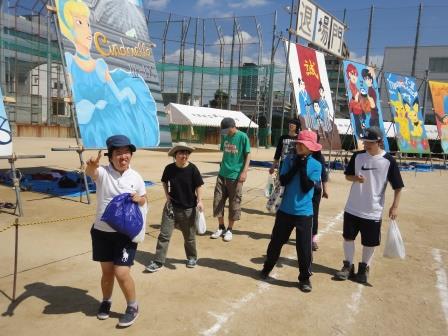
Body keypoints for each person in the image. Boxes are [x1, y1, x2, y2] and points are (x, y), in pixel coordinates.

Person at [55, 0, 160, 148]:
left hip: (107, 119)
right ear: (69, 29)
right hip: (92, 125)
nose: (88, 31)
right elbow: (75, 98)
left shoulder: (100, 65)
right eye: (80, 23)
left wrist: (127, 93)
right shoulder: (71, 63)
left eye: (88, 24)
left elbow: (117, 95)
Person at [85, 135, 147, 328]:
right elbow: (90, 172)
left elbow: (144, 199)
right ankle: (106, 301)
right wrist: (92, 165)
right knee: (107, 272)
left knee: (121, 272)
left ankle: (133, 306)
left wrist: (139, 199)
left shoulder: (135, 177)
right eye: (118, 153)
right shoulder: (103, 172)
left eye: (126, 152)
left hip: (124, 235)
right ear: (110, 156)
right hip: (101, 232)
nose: (123, 157)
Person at [334, 127, 404, 284]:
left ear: (379, 142)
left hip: (373, 210)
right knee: (348, 237)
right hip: (353, 206)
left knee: (369, 242)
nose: (365, 145)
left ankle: (364, 267)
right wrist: (355, 178)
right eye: (365, 141)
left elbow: (398, 186)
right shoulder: (358, 156)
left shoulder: (388, 161)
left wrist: (395, 206)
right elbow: (348, 176)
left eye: (369, 142)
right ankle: (348, 266)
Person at [261, 130, 322, 293]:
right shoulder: (289, 160)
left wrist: (302, 167)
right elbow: (284, 180)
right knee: (276, 242)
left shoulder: (316, 166)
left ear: (311, 148)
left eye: (304, 145)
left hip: (304, 213)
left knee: (303, 248)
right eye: (299, 144)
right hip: (285, 211)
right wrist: (296, 165)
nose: (300, 146)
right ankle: (267, 267)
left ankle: (305, 278)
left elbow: (306, 187)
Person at [145, 142, 204, 272]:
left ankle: (192, 257)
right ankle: (158, 261)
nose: (184, 155)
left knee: (189, 237)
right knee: (164, 235)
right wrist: (167, 195)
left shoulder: (193, 169)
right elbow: (164, 181)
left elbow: (198, 186)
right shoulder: (169, 168)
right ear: (175, 155)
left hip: (189, 209)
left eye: (186, 153)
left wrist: (200, 201)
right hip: (171, 208)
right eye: (181, 153)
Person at [210, 117, 251, 242]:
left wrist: (244, 172)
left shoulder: (243, 137)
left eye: (226, 130)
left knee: (234, 203)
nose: (225, 133)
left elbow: (248, 155)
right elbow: (225, 154)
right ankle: (221, 227)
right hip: (222, 174)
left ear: (232, 127)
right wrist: (221, 166)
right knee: (218, 200)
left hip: (236, 176)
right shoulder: (226, 137)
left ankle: (229, 229)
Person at [311, 146, 329, 251]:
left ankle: (313, 239)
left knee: (314, 214)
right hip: (301, 191)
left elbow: (323, 174)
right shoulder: (298, 155)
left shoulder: (319, 157)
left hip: (315, 190)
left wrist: (325, 190)